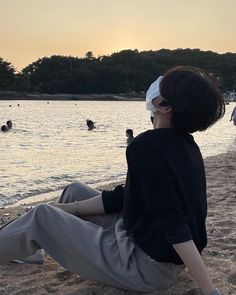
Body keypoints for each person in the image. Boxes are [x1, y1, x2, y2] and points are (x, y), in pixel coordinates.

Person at [0, 66, 225, 295]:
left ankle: (21, 241)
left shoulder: (146, 147)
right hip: (155, 249)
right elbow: (126, 195)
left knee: (40, 216)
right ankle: (29, 251)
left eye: (163, 86)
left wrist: (209, 290)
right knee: (74, 192)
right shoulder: (185, 144)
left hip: (147, 268)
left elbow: (173, 223)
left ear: (164, 106)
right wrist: (64, 209)